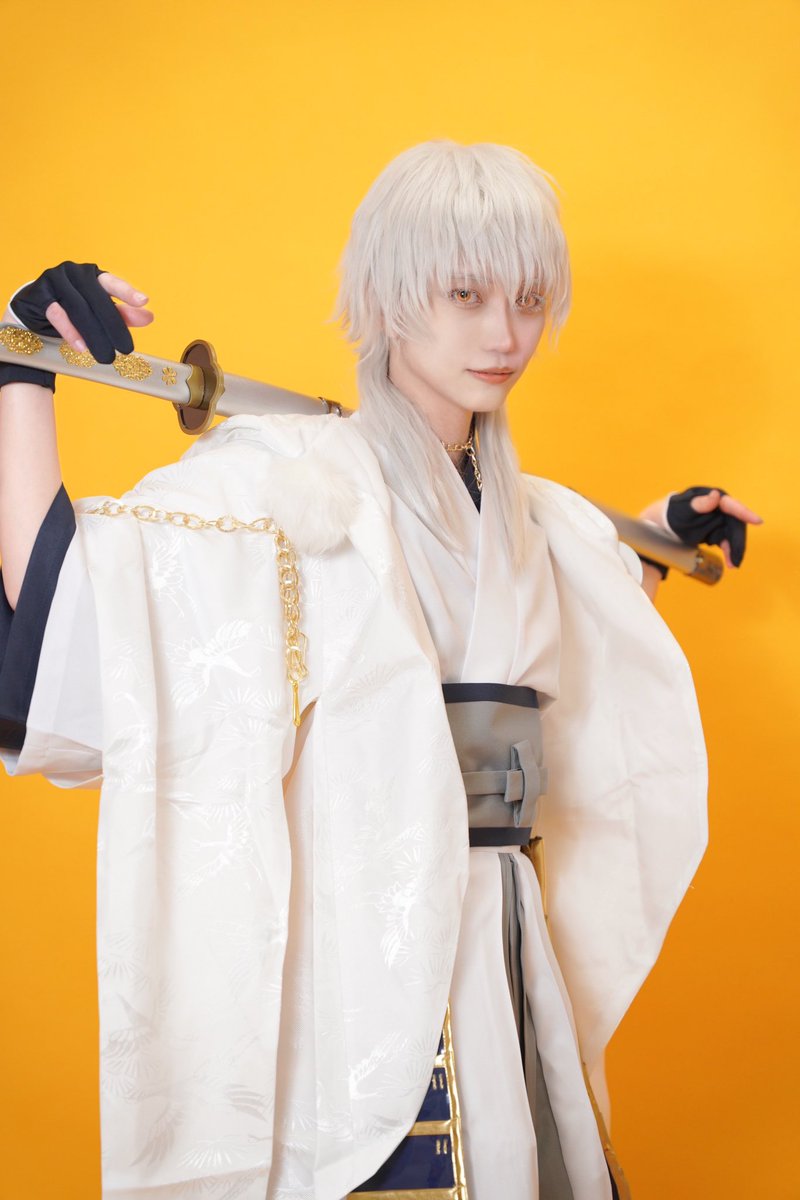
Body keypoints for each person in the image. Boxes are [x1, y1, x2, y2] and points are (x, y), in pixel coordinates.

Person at [0, 142, 761, 1200]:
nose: (504, 335)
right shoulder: (289, 479)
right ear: (392, 298)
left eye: (528, 300)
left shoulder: (531, 513)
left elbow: (552, 606)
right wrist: (23, 374)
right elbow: (81, 619)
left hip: (506, 929)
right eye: (465, 295)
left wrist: (657, 536)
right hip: (372, 939)